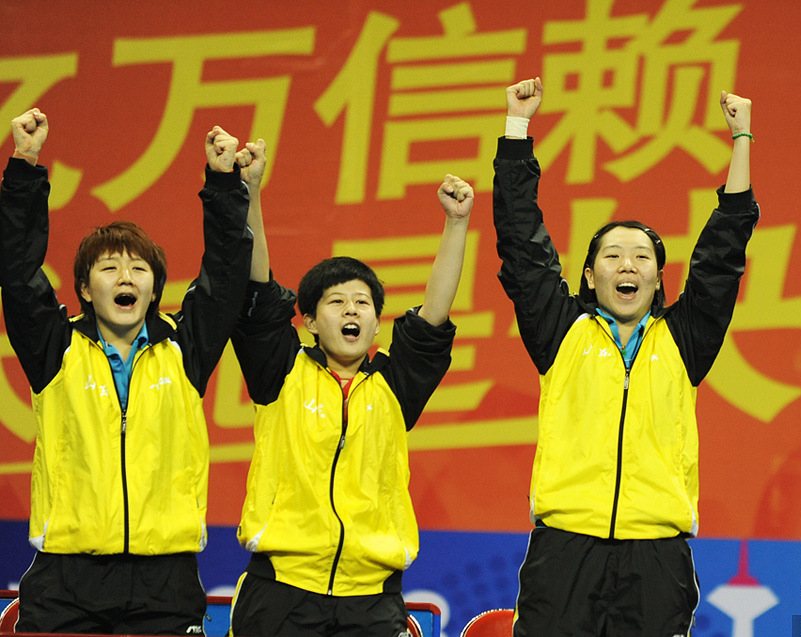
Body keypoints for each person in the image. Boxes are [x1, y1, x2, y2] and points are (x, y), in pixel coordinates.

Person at [493, 78, 760, 636]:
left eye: (642, 257)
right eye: (612, 256)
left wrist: (741, 139)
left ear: (659, 280)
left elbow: (721, 257)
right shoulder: (561, 330)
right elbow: (522, 244)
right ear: (590, 276)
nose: (628, 266)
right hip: (565, 549)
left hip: (656, 555)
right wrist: (517, 129)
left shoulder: (683, 340)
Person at [0, 108, 255, 635]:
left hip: (165, 581)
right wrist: (25, 165)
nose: (125, 277)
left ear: (154, 289)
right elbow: (17, 271)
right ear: (85, 288)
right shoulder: (55, 346)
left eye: (139, 268)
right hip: (66, 580)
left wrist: (223, 182)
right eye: (109, 267)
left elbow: (225, 273)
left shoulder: (185, 347)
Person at [228, 138, 473, 636]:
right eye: (336, 302)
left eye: (362, 303)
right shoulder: (281, 370)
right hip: (282, 592)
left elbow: (433, 316)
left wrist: (456, 224)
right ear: (310, 322)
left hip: (372, 599)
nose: (351, 310)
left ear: (377, 324)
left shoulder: (394, 384)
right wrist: (250, 191)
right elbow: (257, 289)